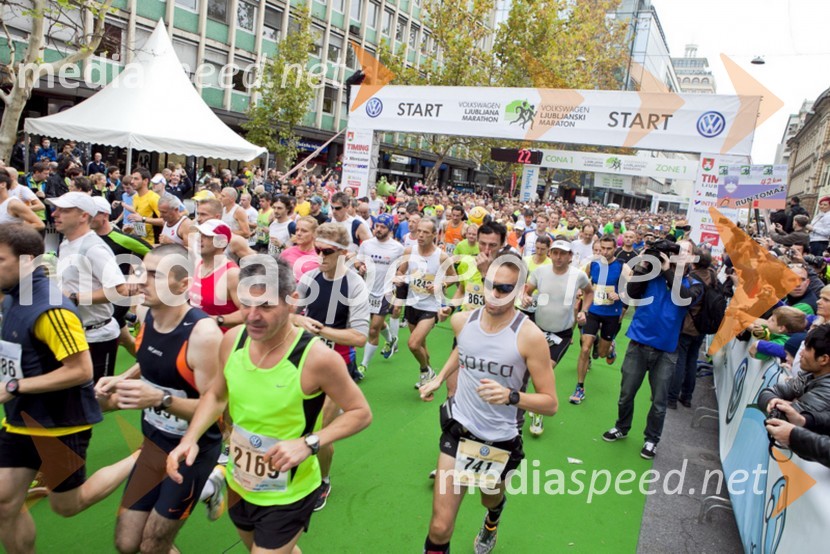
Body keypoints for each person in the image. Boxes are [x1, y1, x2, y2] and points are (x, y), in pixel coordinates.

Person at [166, 257, 372, 553]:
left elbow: (360, 413)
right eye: (246, 304)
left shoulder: (316, 358)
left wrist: (309, 443)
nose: (252, 316)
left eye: (265, 306)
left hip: (290, 492)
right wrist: (190, 438)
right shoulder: (234, 340)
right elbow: (217, 395)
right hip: (240, 483)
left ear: (292, 302)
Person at [0, 224, 136, 554]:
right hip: (21, 416)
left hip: (60, 424)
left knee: (66, 505)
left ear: (25, 261)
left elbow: (80, 371)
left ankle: (143, 457)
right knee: (4, 502)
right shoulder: (14, 297)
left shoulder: (52, 309)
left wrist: (15, 386)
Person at [418, 254, 558, 554]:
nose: (494, 294)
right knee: (440, 527)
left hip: (499, 439)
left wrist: (511, 396)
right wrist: (440, 377)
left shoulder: (530, 337)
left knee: (489, 498)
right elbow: (465, 350)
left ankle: (493, 517)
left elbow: (550, 403)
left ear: (520, 290)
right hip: (459, 429)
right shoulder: (462, 320)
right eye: (490, 285)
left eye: (505, 289)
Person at [94, 245, 226, 553]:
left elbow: (215, 405)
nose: (141, 280)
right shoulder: (148, 314)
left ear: (182, 285)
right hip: (152, 445)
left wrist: (159, 399)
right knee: (126, 543)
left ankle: (209, 484)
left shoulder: (204, 335)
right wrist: (123, 378)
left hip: (191, 453)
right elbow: (156, 359)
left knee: (153, 544)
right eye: (141, 271)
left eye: (154, 274)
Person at [293, 223, 370, 510]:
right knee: (295, 423)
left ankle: (323, 480)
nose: (320, 256)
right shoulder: (310, 277)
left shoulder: (355, 285)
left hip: (337, 366)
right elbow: (290, 313)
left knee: (321, 432)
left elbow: (360, 337)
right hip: (305, 360)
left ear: (343, 253)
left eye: (327, 252)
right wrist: (298, 319)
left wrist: (320, 330)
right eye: (317, 250)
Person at [602, 244, 702, 459]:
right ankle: (622, 427)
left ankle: (651, 439)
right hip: (638, 343)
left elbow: (684, 298)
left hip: (666, 350)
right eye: (674, 251)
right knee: (626, 394)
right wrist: (644, 265)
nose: (675, 255)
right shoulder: (651, 275)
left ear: (691, 258)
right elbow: (630, 294)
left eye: (682, 251)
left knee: (658, 402)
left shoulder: (694, 284)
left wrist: (667, 269)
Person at [50, 192, 129, 383]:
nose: (54, 214)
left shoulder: (94, 248)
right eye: (56, 208)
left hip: (96, 337)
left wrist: (75, 298)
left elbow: (120, 290)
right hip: (72, 334)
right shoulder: (67, 242)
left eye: (64, 210)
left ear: (84, 216)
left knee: (93, 400)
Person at [522, 239, 593, 435]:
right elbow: (526, 290)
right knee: (529, 370)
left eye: (563, 253)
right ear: (550, 254)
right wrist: (526, 297)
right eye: (555, 253)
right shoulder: (540, 272)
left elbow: (589, 293)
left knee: (544, 369)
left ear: (570, 256)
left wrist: (584, 311)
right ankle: (532, 403)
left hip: (562, 333)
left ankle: (538, 412)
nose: (559, 257)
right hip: (538, 329)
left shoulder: (578, 275)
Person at [396, 218, 456, 389]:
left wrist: (441, 284)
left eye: (425, 233)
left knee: (413, 344)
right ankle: (428, 375)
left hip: (431, 307)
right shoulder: (409, 250)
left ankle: (425, 370)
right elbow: (401, 270)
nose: (420, 235)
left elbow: (453, 277)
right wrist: (400, 279)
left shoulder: (441, 256)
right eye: (419, 231)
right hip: (412, 304)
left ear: (434, 235)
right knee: (421, 345)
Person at [573, 235, 630, 404]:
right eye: (602, 248)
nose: (604, 252)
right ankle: (580, 387)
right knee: (585, 348)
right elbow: (581, 280)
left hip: (611, 314)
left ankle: (609, 347)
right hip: (593, 310)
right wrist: (578, 290)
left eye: (608, 249)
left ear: (615, 249)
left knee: (602, 353)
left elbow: (633, 289)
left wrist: (620, 295)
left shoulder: (622, 267)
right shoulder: (593, 264)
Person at [356, 214, 405, 373]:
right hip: (367, 290)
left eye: (383, 227)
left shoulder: (397, 248)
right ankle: (391, 340)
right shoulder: (367, 244)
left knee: (373, 328)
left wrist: (399, 277)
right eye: (377, 226)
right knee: (374, 321)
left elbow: (402, 268)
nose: (378, 229)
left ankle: (363, 365)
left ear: (390, 229)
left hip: (385, 292)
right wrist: (360, 267)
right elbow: (358, 261)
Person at [189, 219, 241, 332]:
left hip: (222, 342)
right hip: (196, 338)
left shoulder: (232, 274)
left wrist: (217, 320)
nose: (199, 239)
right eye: (200, 234)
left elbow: (249, 312)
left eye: (207, 236)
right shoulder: (197, 264)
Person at [280, 216, 320, 282]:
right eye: (297, 230)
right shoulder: (287, 253)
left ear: (314, 234)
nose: (298, 233)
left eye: (304, 231)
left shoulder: (319, 256)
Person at [126, 168, 161, 243]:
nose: (132, 181)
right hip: (139, 241)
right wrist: (131, 230)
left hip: (153, 244)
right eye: (132, 178)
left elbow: (165, 221)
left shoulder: (153, 198)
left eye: (136, 179)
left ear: (145, 181)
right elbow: (140, 223)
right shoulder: (135, 197)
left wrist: (143, 219)